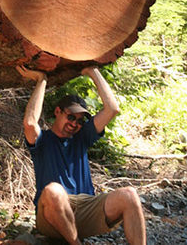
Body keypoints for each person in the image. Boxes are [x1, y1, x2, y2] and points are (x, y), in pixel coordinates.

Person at [16, 65, 146, 245]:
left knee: (130, 195)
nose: (75, 123)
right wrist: (42, 80)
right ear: (57, 112)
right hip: (51, 215)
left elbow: (112, 109)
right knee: (54, 190)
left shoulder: (81, 138)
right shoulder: (42, 141)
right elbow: (30, 122)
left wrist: (92, 70)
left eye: (80, 120)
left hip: (85, 210)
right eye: (71, 117)